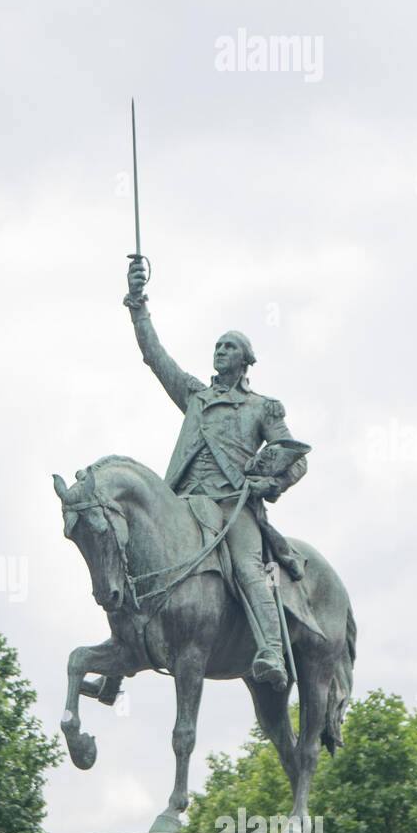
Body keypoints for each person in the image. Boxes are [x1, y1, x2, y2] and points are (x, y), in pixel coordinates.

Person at [123, 256, 308, 691]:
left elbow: (294, 457)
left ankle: (272, 652)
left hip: (232, 506)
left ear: (245, 360)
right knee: (131, 558)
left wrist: (269, 483)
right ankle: (125, 649)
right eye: (218, 345)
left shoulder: (262, 407)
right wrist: (137, 305)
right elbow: (154, 355)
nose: (219, 350)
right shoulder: (194, 395)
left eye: (229, 346)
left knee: (247, 567)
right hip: (183, 502)